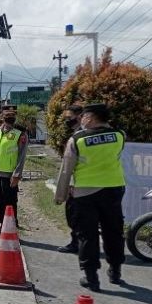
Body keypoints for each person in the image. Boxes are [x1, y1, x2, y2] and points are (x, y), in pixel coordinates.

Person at [54, 103, 126, 292]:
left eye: (84, 116)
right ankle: (115, 271)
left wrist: (60, 195)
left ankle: (91, 278)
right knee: (113, 232)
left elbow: (66, 170)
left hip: (84, 193)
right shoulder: (119, 136)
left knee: (87, 235)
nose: (81, 119)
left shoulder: (77, 139)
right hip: (113, 189)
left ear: (92, 118)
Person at [57, 105, 84, 254]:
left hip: (80, 183)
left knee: (75, 215)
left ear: (79, 116)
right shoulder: (77, 133)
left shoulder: (81, 136)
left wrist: (69, 185)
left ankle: (78, 243)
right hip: (78, 182)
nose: (67, 121)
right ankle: (77, 242)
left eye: (69, 118)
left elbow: (73, 164)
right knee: (73, 215)